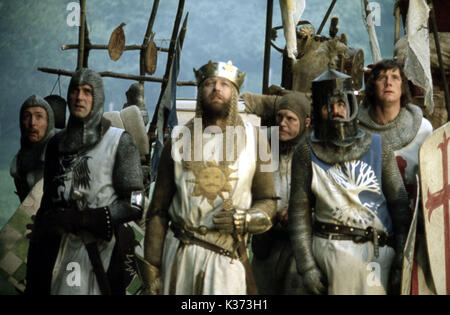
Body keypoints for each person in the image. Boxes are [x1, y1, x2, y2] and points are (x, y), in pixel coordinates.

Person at [143, 60, 277, 295]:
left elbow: (268, 200)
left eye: (224, 84)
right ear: (200, 91)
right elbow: (158, 211)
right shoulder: (177, 140)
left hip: (227, 257)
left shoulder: (256, 140)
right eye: (210, 83)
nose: (216, 88)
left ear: (234, 93)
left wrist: (245, 220)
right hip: (180, 253)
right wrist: (152, 270)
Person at [288, 69, 411, 295]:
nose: (336, 111)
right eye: (328, 106)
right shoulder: (306, 152)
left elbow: (399, 207)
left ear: (351, 105)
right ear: (318, 111)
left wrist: (402, 258)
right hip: (331, 251)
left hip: (376, 253)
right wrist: (307, 267)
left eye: (341, 104)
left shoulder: (378, 146)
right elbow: (299, 215)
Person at [25, 68, 144, 295]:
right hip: (57, 246)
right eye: (75, 91)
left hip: (99, 248)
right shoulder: (56, 145)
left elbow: (136, 202)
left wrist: (89, 218)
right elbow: (48, 201)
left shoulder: (119, 142)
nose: (80, 97)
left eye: (87, 91)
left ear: (97, 97)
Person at [358, 59, 435, 294]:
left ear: (403, 87)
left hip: (415, 230)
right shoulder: (357, 132)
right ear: (372, 86)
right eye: (382, 77)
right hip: (369, 231)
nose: (388, 82)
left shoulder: (423, 130)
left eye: (395, 77)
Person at [250, 92, 311, 294]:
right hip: (266, 241)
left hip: (300, 246)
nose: (282, 123)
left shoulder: (316, 153)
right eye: (279, 117)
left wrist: (300, 210)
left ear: (306, 122)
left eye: (290, 119)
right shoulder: (260, 146)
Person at [10, 95, 56, 202]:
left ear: (48, 121)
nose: (32, 123)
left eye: (39, 117)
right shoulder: (18, 163)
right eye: (27, 117)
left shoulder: (61, 155)